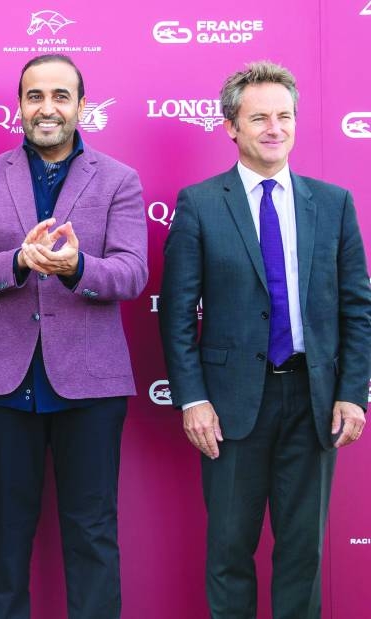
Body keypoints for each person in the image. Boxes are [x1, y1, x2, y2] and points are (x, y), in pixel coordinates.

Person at [159, 61, 371, 618]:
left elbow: (357, 307)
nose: (275, 128)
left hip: (314, 400)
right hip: (230, 406)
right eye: (259, 118)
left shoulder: (334, 203)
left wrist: (353, 391)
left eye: (284, 116)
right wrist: (194, 398)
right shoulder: (200, 204)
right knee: (229, 550)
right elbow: (177, 312)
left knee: (304, 552)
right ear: (231, 126)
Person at [0, 54, 148, 619]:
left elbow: (132, 273)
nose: (48, 107)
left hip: (91, 384)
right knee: (5, 539)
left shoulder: (119, 180)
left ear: (82, 106)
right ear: (20, 107)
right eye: (35, 96)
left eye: (61, 95)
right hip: (5, 382)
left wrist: (77, 268)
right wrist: (16, 261)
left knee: (92, 534)